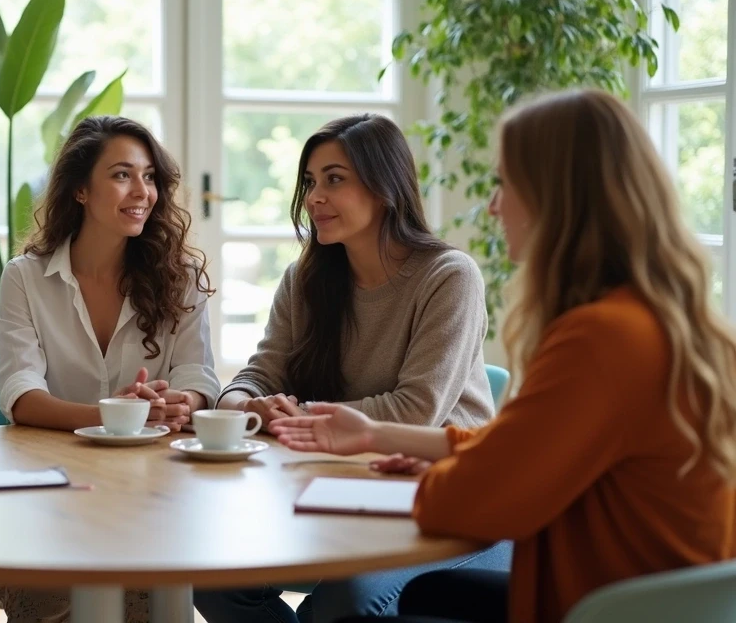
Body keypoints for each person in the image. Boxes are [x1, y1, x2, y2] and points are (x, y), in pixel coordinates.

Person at [273, 89, 736, 623]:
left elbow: (478, 500)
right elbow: (523, 445)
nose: (493, 206)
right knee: (423, 597)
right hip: (647, 598)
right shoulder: (650, 319)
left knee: (348, 614)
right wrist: (388, 438)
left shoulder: (599, 338)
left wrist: (429, 475)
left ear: (556, 198)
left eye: (504, 184)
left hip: (603, 607)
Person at [195, 114, 505, 622]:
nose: (314, 198)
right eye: (310, 182)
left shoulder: (449, 277)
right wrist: (246, 406)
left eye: (334, 179)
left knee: (344, 604)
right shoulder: (303, 279)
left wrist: (299, 417)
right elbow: (256, 375)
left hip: (444, 506)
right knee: (213, 579)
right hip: (332, 489)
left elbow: (416, 411)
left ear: (385, 188)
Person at [0, 115, 220, 622]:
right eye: (122, 175)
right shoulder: (25, 278)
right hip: (52, 490)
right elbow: (20, 394)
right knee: (52, 602)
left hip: (157, 491)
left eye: (149, 176)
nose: (142, 191)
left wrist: (181, 403)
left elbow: (198, 377)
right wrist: (112, 415)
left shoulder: (180, 276)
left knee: (155, 601)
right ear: (80, 190)